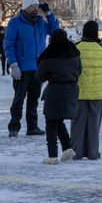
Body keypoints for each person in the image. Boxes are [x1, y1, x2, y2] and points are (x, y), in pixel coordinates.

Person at [4, 0, 60, 137]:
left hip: (38, 69)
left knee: (33, 100)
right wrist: (13, 64)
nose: (35, 9)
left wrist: (48, 13)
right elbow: (8, 44)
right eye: (32, 6)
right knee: (18, 99)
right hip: (22, 69)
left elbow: (55, 30)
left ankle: (32, 127)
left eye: (36, 6)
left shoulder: (41, 22)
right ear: (25, 8)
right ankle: (14, 127)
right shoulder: (15, 23)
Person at [34, 29, 80, 164]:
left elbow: (40, 77)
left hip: (55, 91)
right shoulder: (74, 53)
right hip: (71, 89)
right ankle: (67, 149)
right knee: (58, 120)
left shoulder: (49, 56)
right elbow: (80, 70)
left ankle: (52, 156)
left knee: (51, 122)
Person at [71, 21, 102, 160]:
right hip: (98, 93)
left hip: (79, 92)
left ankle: (77, 152)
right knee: (94, 124)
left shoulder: (76, 47)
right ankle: (93, 153)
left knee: (78, 124)